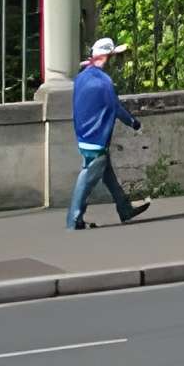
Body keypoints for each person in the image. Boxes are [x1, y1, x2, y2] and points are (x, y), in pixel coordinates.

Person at [67, 35, 153, 230]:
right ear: (106, 58)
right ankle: (73, 219)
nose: (116, 62)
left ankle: (125, 209)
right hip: (97, 138)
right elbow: (116, 108)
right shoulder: (104, 81)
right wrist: (134, 123)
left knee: (107, 174)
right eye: (114, 57)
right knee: (87, 177)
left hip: (84, 134)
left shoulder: (81, 77)